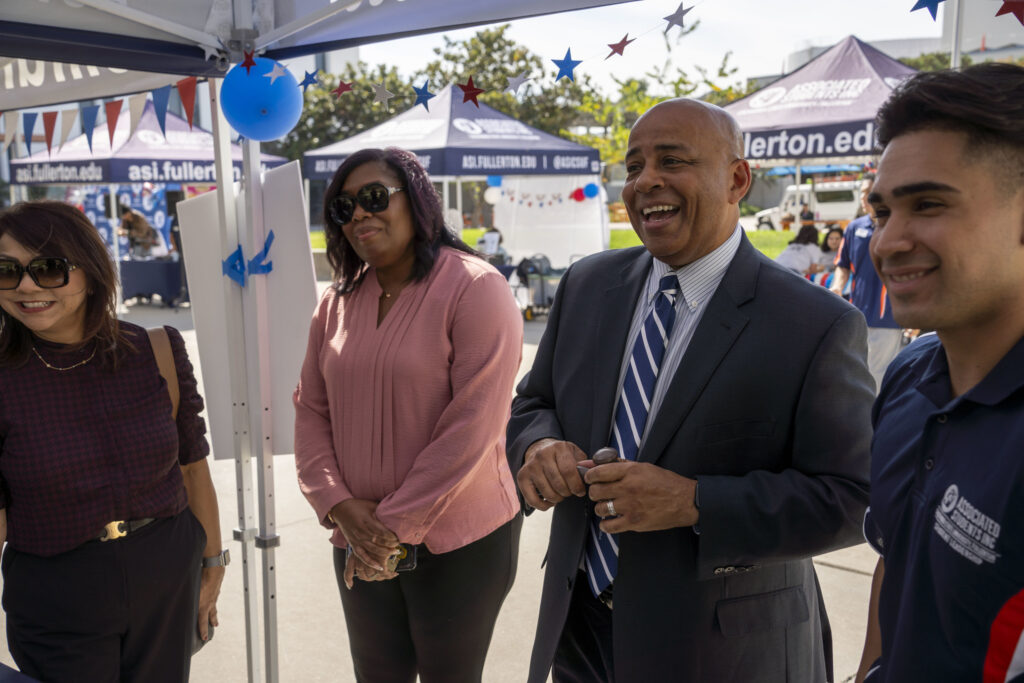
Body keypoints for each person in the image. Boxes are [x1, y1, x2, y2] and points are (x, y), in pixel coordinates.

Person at [508, 98, 873, 683]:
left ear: (737, 179)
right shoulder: (587, 284)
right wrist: (537, 445)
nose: (646, 180)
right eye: (633, 167)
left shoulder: (815, 323)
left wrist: (695, 501)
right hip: (578, 630)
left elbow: (852, 498)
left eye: (672, 160)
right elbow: (533, 402)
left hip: (723, 653)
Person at [293, 147, 524, 682]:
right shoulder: (336, 301)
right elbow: (310, 409)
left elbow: (475, 425)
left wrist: (388, 528)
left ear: (416, 200)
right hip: (356, 532)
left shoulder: (474, 287)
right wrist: (339, 505)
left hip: (458, 542)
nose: (359, 216)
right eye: (343, 208)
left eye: (374, 198)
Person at [0, 200, 226, 682]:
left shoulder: (157, 349)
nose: (25, 286)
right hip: (56, 595)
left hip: (166, 574)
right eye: (7, 271)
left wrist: (212, 564)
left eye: (48, 268)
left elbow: (191, 467)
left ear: (90, 269)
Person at [854, 63, 1024, 683]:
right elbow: (893, 559)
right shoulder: (907, 378)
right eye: (881, 211)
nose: (889, 242)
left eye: (928, 204)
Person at [829, 177, 903, 392]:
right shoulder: (853, 228)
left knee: (876, 378)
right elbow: (842, 265)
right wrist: (837, 287)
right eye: (862, 191)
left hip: (887, 317)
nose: (864, 197)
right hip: (856, 313)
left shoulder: (896, 227)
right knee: (854, 372)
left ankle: (872, 424)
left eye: (869, 191)